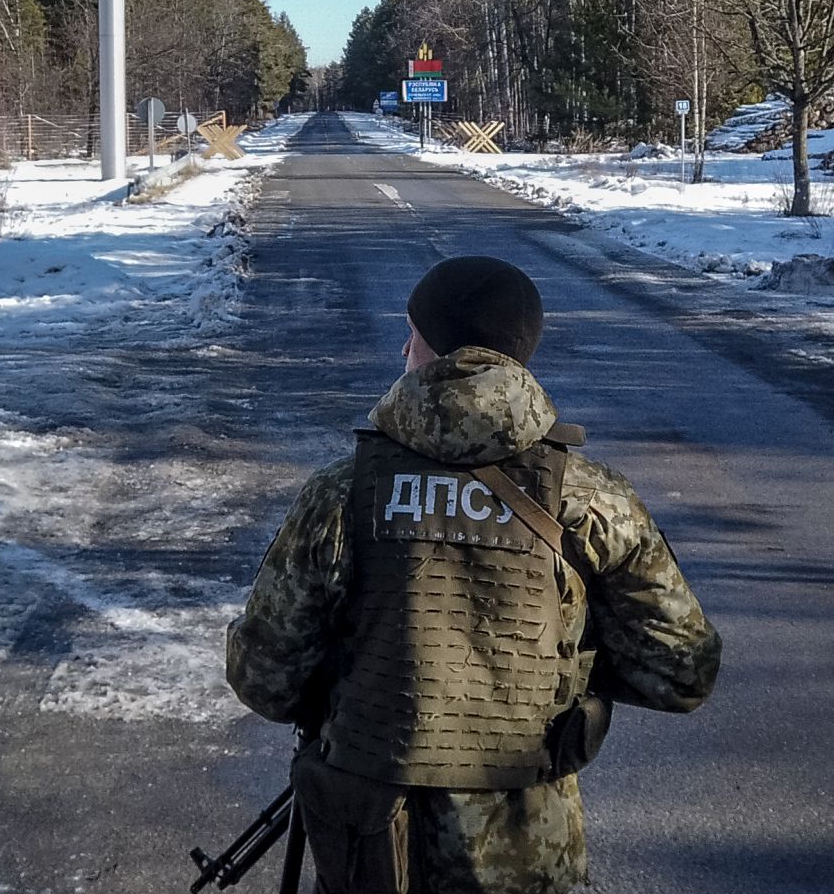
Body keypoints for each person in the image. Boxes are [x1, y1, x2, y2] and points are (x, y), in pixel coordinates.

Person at [226, 256, 721, 894]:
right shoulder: (591, 498)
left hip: (371, 839)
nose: (404, 346)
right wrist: (552, 665)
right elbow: (684, 671)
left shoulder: (342, 493)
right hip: (527, 844)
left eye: (414, 332)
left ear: (432, 351)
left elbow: (264, 677)